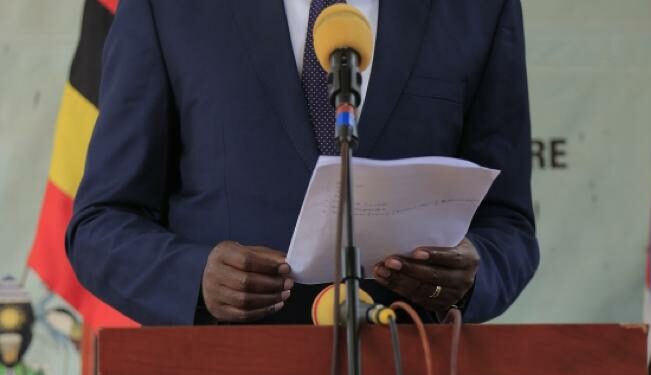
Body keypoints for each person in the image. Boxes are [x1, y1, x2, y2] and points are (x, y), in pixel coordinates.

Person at [66, 0, 539, 325]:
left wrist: (471, 275)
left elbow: (508, 224)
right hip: (228, 362)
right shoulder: (168, 7)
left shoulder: (477, 8)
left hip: (407, 354)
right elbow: (102, 222)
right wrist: (195, 280)